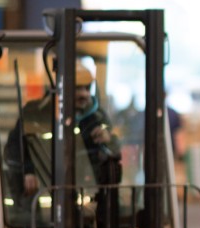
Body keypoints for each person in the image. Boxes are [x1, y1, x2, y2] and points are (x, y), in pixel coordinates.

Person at [6, 66, 121, 199]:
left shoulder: (98, 118)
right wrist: (27, 171)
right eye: (77, 88)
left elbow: (114, 151)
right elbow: (14, 147)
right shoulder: (34, 114)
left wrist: (108, 140)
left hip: (84, 193)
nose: (84, 94)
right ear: (60, 87)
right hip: (43, 191)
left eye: (87, 88)